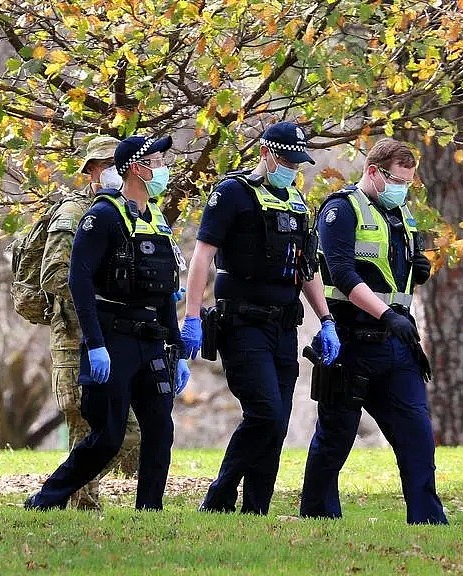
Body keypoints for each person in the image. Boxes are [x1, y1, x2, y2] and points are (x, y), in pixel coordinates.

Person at [181, 122, 340, 515]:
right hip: (243, 323)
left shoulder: (296, 202)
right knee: (265, 413)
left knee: (278, 423)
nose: (291, 167)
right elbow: (202, 255)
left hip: (283, 324)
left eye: (297, 162)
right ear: (266, 154)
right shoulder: (233, 193)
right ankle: (220, 493)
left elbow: (307, 268)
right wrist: (192, 315)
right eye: (285, 159)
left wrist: (327, 319)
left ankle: (256, 509)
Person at [25, 134, 190, 511]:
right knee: (109, 435)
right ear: (137, 167)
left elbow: (164, 291)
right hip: (113, 338)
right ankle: (47, 499)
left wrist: (178, 350)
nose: (163, 167)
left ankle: (150, 510)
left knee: (160, 429)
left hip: (151, 338)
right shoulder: (101, 216)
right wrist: (95, 345)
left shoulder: (156, 220)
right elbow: (77, 279)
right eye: (157, 160)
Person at [299, 138, 447, 525]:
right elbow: (343, 273)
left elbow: (393, 272)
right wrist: (386, 315)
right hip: (351, 342)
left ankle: (429, 521)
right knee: (335, 438)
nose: (402, 189)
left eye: (408, 183)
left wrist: (418, 267)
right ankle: (318, 517)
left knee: (417, 437)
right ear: (373, 172)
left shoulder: (401, 213)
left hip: (398, 345)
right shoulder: (340, 210)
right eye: (397, 180)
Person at [40, 135, 141, 510]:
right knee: (88, 423)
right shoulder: (73, 215)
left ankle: (69, 494)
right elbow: (53, 276)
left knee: (126, 430)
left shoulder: (126, 210)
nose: (114, 171)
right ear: (91, 172)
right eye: (105, 165)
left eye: (118, 163)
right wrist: (96, 300)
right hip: (74, 336)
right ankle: (80, 501)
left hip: (112, 335)